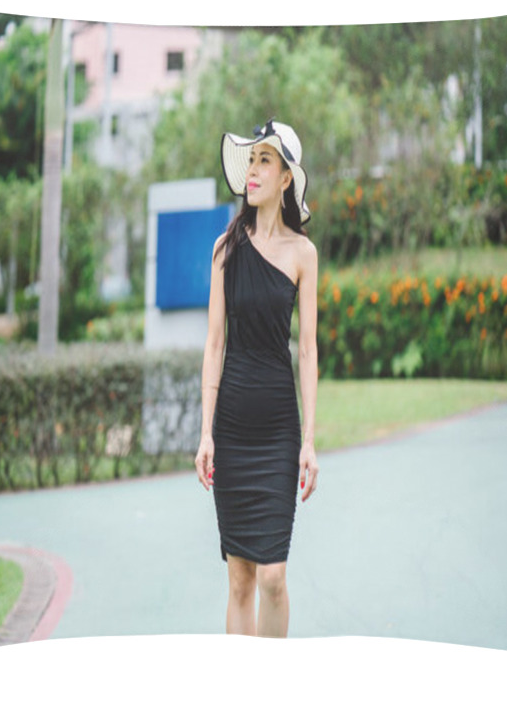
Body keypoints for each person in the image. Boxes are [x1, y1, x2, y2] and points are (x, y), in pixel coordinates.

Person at [195, 118, 319, 638]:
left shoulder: (302, 254)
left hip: (277, 430)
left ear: (286, 178)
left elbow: (308, 351)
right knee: (240, 581)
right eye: (252, 159)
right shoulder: (226, 250)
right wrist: (205, 433)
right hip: (232, 431)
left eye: (265, 160)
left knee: (272, 576)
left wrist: (310, 441)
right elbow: (214, 344)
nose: (254, 169)